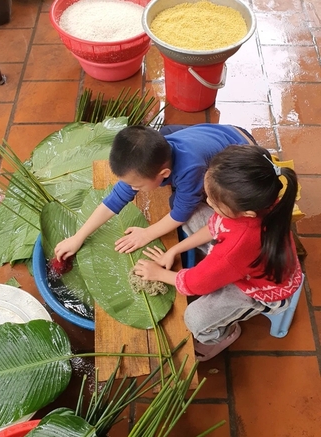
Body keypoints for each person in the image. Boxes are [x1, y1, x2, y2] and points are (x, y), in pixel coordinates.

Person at [133, 145, 303, 361]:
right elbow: (216, 225)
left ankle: (224, 334)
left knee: (196, 319)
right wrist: (175, 249)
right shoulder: (260, 199)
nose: (208, 202)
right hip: (251, 259)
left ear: (245, 212)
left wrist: (157, 274)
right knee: (192, 213)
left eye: (213, 202)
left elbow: (195, 284)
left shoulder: (238, 246)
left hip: (258, 289)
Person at [54, 123, 257, 261]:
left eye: (138, 186)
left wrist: (147, 234)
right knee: (167, 131)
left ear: (164, 173)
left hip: (245, 152)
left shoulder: (190, 169)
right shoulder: (149, 156)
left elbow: (181, 213)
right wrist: (78, 237)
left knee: (179, 202)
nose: (133, 189)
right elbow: (115, 199)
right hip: (220, 133)